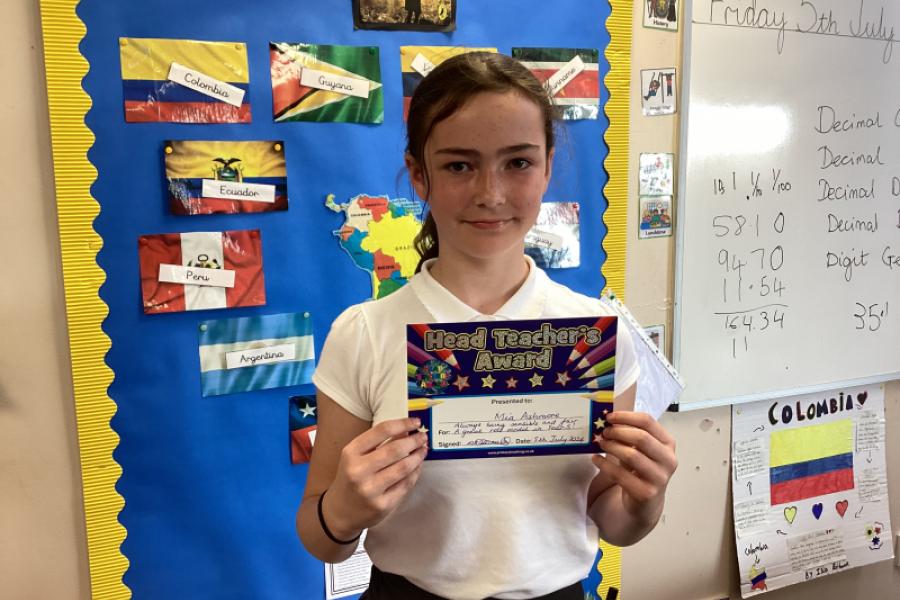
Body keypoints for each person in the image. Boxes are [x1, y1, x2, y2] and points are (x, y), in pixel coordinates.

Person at [297, 52, 677, 600]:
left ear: (547, 167)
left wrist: (646, 500)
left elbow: (610, 518)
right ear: (419, 174)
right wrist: (344, 509)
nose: (490, 193)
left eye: (517, 162)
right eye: (459, 165)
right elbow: (321, 537)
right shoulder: (365, 333)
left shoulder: (597, 334)